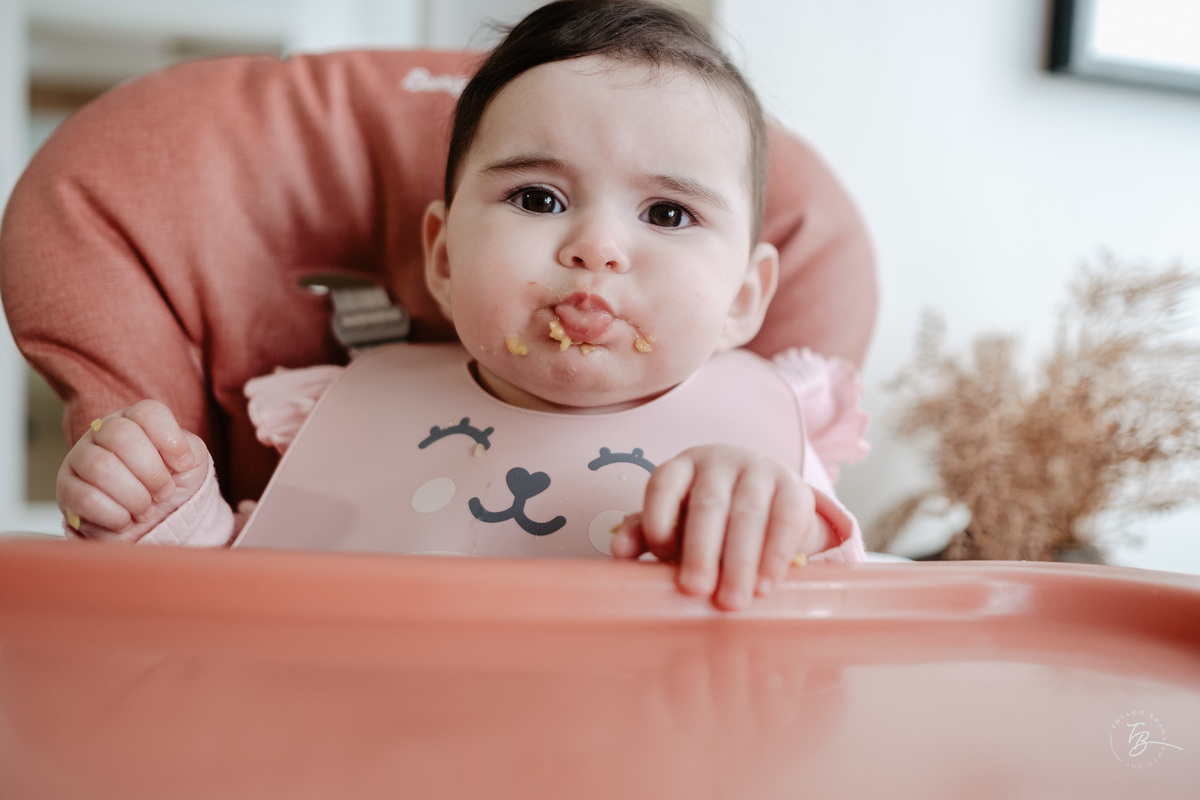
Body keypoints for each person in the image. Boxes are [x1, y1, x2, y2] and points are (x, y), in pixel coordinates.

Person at [54, 0, 869, 610]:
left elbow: (838, 614)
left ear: (744, 297)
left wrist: (772, 527)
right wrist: (167, 515)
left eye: (667, 213)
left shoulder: (762, 438)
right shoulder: (354, 410)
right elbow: (255, 587)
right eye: (539, 198)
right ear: (443, 257)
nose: (596, 247)